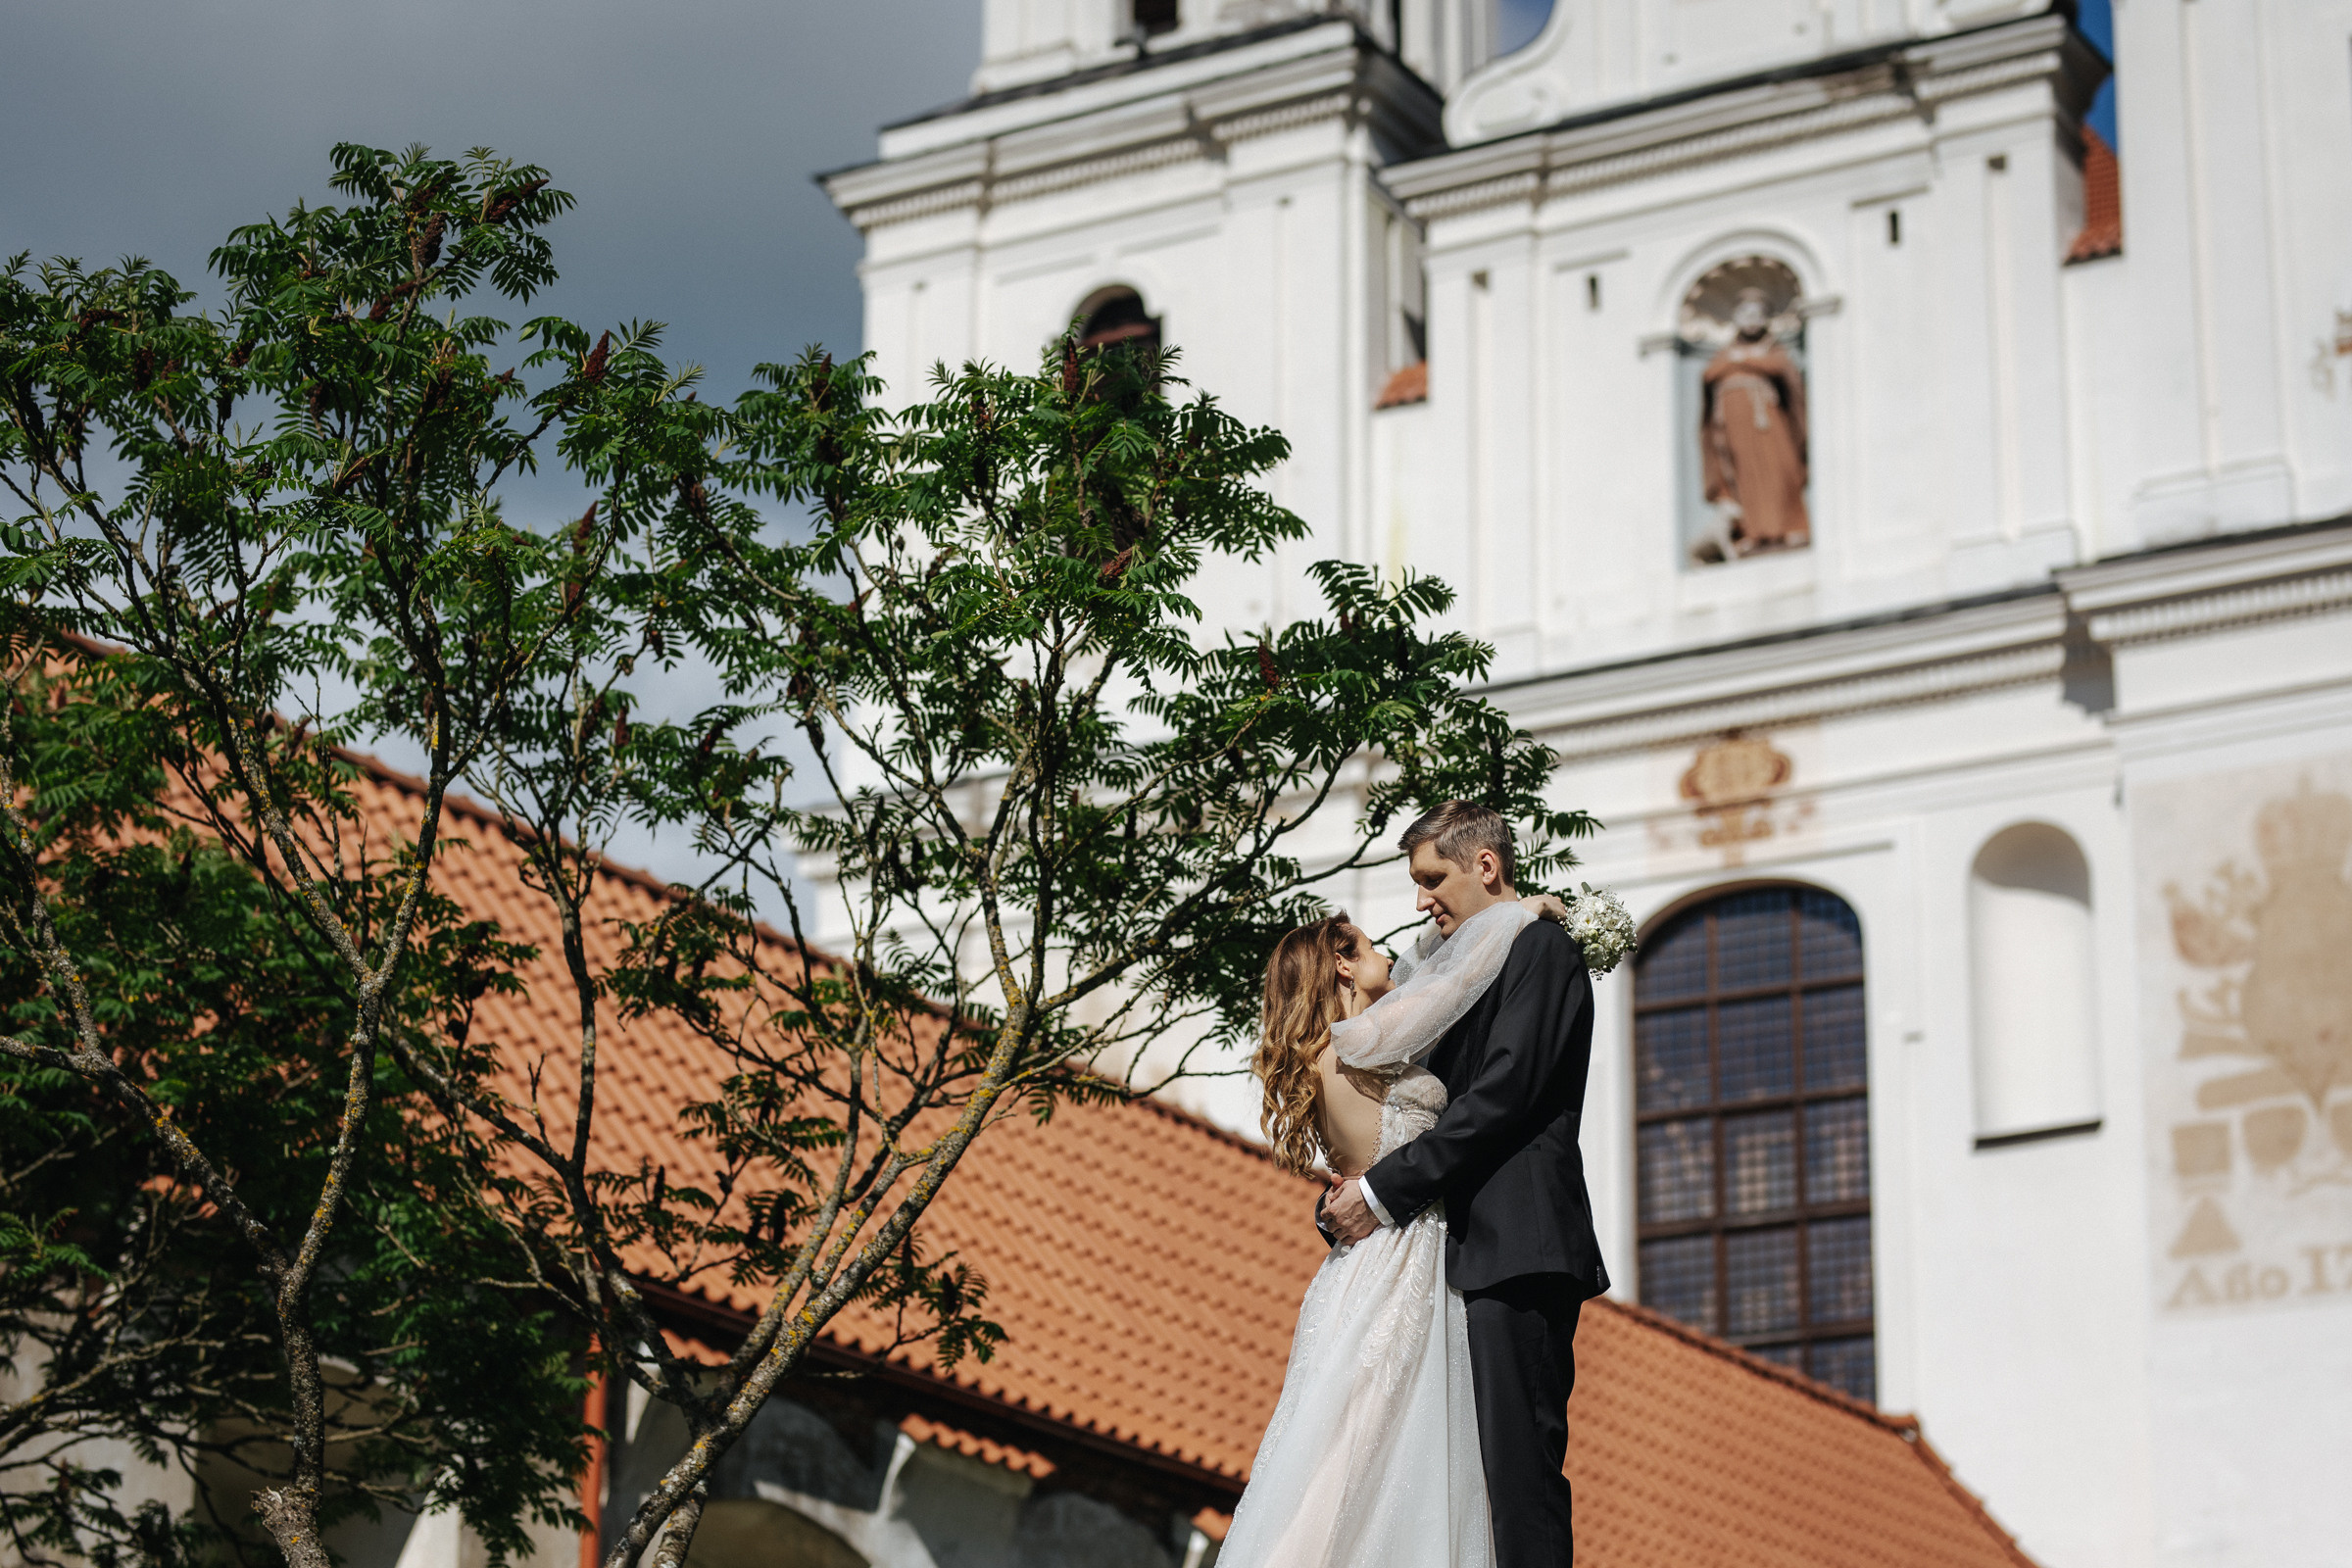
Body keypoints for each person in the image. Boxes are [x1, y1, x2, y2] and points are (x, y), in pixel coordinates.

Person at [1217, 884, 1565, 1568]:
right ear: (1343, 965)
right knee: (1361, 1445)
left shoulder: (1345, 1045)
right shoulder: (1354, 1047)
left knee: (1378, 1446)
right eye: (1370, 946)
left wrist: (1453, 929)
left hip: (1389, 1254)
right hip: (1401, 1257)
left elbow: (1422, 972)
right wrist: (1514, 916)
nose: (1388, 955)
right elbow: (1449, 983)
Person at [1323, 802, 1606, 1568]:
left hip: (1517, 1245)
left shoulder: (1541, 951)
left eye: (1431, 879)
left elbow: (1505, 1093)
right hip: (1448, 1249)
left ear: (1485, 865)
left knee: (1516, 1478)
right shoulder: (1455, 968)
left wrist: (1383, 1190)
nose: (1420, 901)